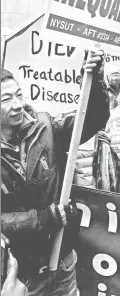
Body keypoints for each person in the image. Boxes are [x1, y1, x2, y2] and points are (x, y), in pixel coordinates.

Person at [0, 50, 109, 295]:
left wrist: (93, 81)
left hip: (62, 261)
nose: (17, 105)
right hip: (17, 276)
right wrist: (42, 218)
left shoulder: (46, 127)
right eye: (6, 100)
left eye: (19, 95)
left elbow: (92, 118)